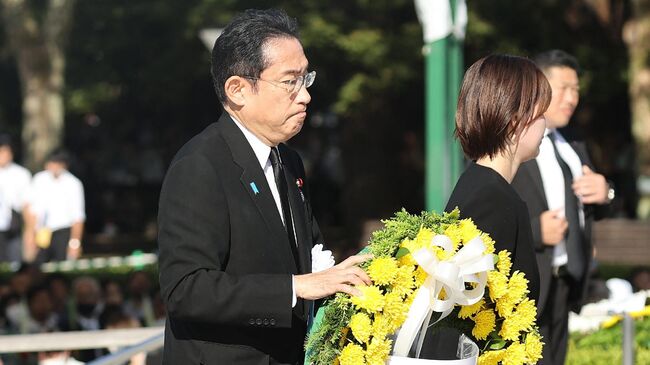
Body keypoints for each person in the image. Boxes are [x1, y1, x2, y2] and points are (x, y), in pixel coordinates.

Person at [157, 8, 371, 365]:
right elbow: (185, 290)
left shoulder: (289, 161)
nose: (305, 96)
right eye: (290, 82)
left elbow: (311, 259)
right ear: (238, 89)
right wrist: (295, 287)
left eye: (307, 79)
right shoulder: (199, 165)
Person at [511, 50, 613, 365]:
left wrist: (605, 192)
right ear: (539, 88)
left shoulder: (574, 143)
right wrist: (535, 231)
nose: (572, 98)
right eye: (564, 88)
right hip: (527, 286)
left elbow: (595, 202)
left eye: (576, 90)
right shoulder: (511, 139)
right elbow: (484, 212)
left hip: (566, 284)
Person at [24, 150, 85, 263]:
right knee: (38, 266)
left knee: (61, 267)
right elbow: (32, 210)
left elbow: (78, 217)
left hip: (62, 231)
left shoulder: (73, 184)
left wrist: (75, 243)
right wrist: (30, 234)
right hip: (42, 231)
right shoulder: (39, 179)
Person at [0, 135, 31, 263]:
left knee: (14, 264)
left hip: (13, 228)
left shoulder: (21, 174)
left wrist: (29, 232)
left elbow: (26, 204)